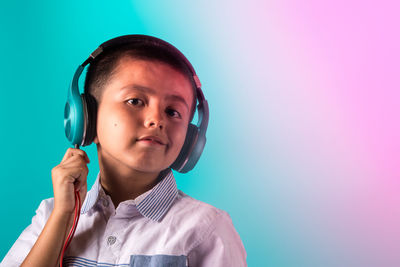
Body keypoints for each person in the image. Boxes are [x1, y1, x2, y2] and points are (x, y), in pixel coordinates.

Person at [1, 35, 247, 267]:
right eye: (135, 101)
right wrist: (63, 217)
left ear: (191, 139)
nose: (156, 120)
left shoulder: (207, 229)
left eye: (173, 112)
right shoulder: (51, 215)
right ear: (86, 119)